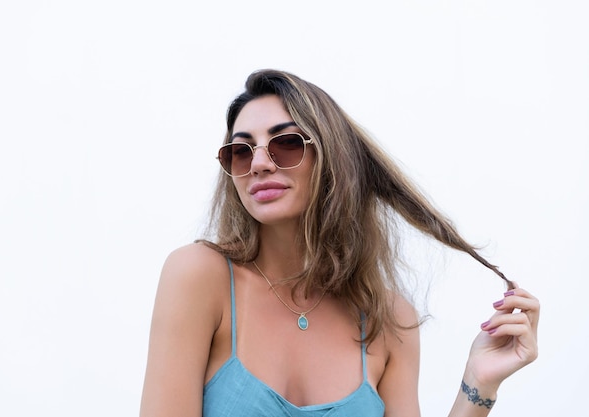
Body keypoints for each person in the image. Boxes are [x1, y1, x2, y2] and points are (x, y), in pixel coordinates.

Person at [139, 69, 539, 417]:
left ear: (332, 157)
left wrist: (479, 385)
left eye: (287, 143)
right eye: (241, 152)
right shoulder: (198, 276)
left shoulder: (389, 320)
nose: (259, 163)